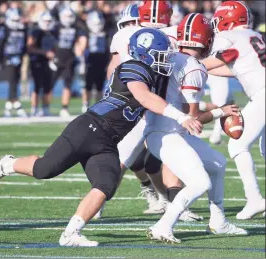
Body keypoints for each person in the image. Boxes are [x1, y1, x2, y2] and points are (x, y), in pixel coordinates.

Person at [0, 28, 202, 246]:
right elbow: (144, 97)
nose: (165, 60)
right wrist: (180, 116)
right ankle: (7, 165)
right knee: (44, 170)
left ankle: (71, 233)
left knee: (107, 184)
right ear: (145, 53)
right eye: (160, 55)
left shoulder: (153, 75)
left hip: (109, 140)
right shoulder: (133, 66)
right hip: (89, 128)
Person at [146, 13, 247, 244]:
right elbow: (193, 120)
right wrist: (222, 111)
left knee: (218, 164)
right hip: (168, 133)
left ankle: (219, 222)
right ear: (207, 40)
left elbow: (182, 108)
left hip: (163, 129)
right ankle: (163, 225)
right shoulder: (194, 67)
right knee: (200, 182)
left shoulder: (171, 56)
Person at [108, 1, 203, 221]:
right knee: (172, 155)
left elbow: (113, 70)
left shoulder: (125, 34)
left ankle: (99, 201)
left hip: (133, 101)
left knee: (123, 158)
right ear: (168, 15)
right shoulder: (175, 34)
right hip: (166, 103)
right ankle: (176, 204)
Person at [202, 0, 265, 219]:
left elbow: (211, 63)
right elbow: (239, 69)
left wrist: (187, 66)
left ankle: (255, 199)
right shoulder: (255, 35)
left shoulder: (229, 37)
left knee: (237, 142)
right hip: (261, 91)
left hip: (263, 94)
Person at [51, 6, 87, 118]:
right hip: (56, 58)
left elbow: (81, 41)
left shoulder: (76, 27)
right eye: (66, 16)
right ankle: (43, 107)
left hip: (69, 59)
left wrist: (80, 51)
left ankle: (64, 107)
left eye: (70, 16)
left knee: (67, 85)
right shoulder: (55, 27)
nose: (68, 18)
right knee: (48, 84)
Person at [27, 10, 57, 117]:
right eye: (45, 21)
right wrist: (44, 53)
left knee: (47, 86)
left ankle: (45, 108)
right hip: (37, 61)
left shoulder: (52, 32)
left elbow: (54, 46)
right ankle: (34, 109)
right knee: (37, 85)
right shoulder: (36, 31)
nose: (47, 23)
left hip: (49, 62)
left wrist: (53, 54)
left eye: (49, 21)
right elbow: (29, 47)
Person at [0, 8, 28, 117]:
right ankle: (15, 103)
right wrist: (2, 60)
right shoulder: (4, 29)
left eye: (17, 20)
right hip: (8, 58)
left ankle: (10, 104)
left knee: (16, 80)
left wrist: (21, 56)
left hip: (18, 58)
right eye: (14, 20)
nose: (16, 23)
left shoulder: (22, 29)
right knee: (12, 80)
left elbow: (24, 45)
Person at [81, 10, 110, 113]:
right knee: (88, 85)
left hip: (101, 60)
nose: (97, 25)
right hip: (90, 60)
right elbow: (82, 48)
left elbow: (108, 49)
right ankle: (85, 104)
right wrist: (82, 62)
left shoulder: (105, 33)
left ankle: (97, 105)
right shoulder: (86, 32)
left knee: (99, 85)